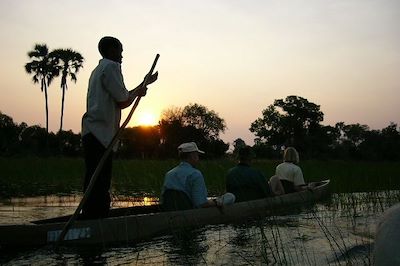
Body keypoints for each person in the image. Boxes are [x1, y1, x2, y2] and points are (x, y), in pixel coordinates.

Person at [81, 36, 158, 218]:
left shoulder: (99, 69)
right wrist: (141, 87)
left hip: (93, 132)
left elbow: (122, 97)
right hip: (100, 134)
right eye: (119, 50)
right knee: (100, 181)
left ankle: (91, 216)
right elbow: (124, 100)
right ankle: (96, 220)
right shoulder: (111, 66)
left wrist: (142, 85)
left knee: (94, 179)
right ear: (110, 51)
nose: (122, 55)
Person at [161, 142, 235, 211]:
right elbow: (200, 203)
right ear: (192, 156)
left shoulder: (169, 174)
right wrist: (216, 202)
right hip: (188, 211)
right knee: (230, 196)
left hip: (171, 210)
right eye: (197, 155)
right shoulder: (195, 174)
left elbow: (164, 198)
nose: (198, 158)